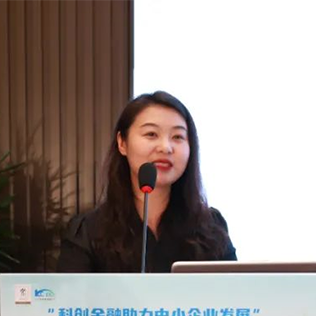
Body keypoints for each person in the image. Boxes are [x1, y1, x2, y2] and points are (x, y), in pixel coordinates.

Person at [56, 91, 236, 273]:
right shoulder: (88, 231)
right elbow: (70, 292)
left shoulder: (211, 228)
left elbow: (235, 289)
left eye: (177, 137)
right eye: (151, 134)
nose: (166, 147)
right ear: (122, 143)